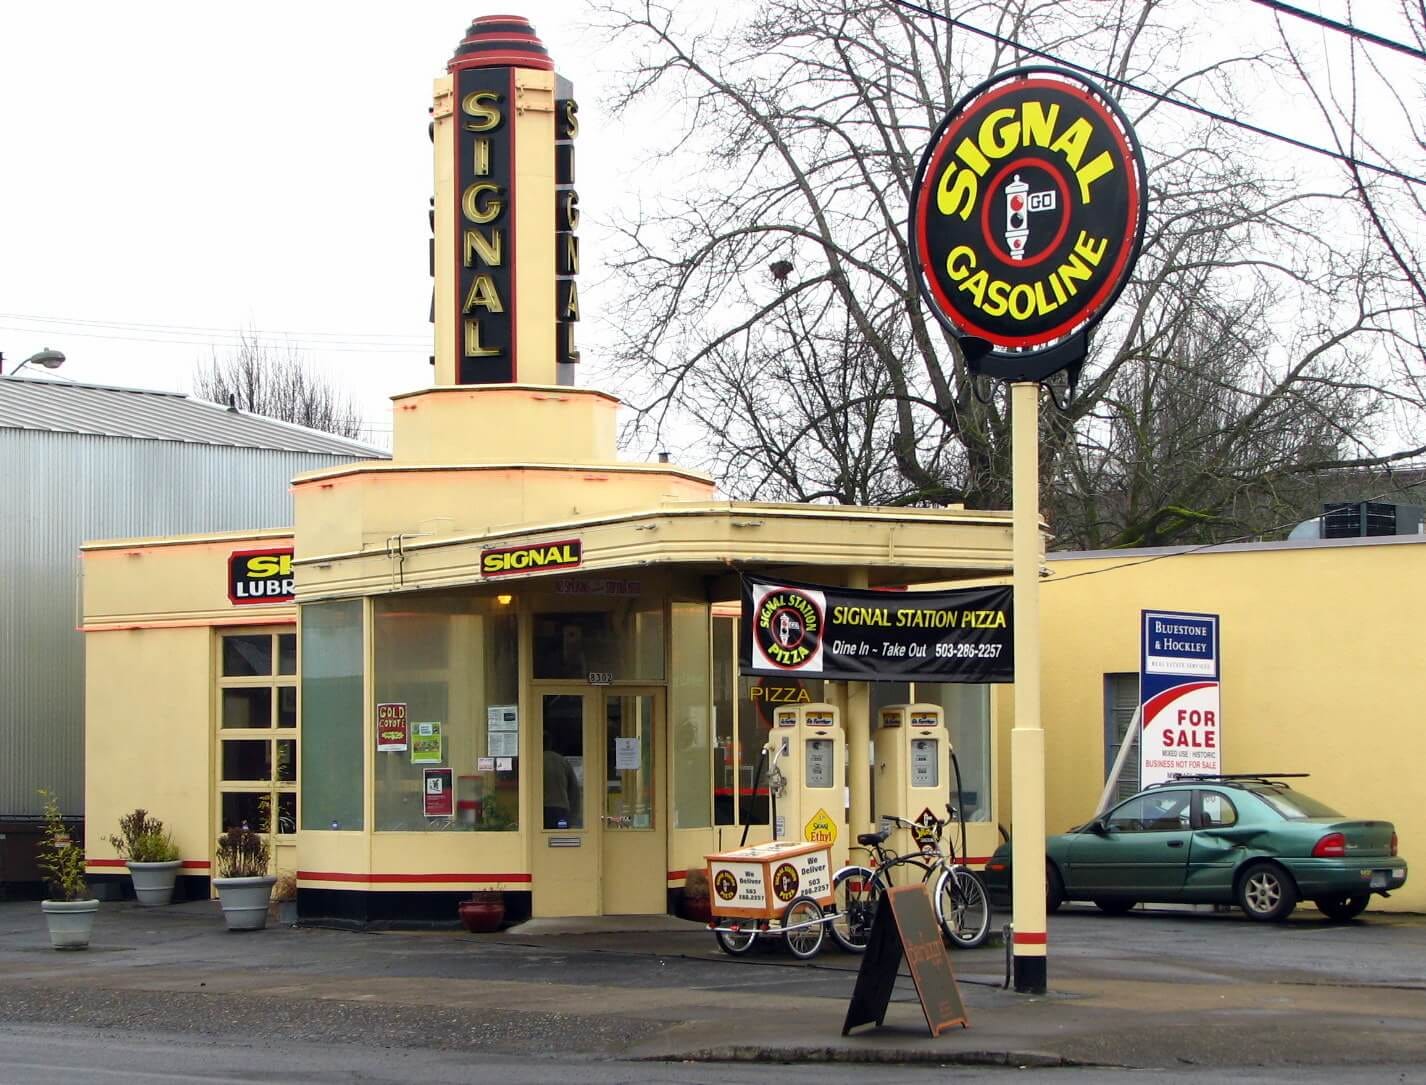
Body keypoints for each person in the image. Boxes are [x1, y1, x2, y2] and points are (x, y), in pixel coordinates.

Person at [543, 731, 581, 829]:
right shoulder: (562, 761)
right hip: (560, 808)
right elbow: (574, 791)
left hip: (540, 808)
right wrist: (574, 817)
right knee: (561, 839)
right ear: (550, 743)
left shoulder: (533, 760)